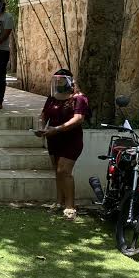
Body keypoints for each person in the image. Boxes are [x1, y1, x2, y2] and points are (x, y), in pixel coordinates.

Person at [36, 69, 90, 221]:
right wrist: (42, 127)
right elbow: (43, 115)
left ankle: (70, 206)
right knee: (57, 171)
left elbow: (78, 119)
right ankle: (59, 202)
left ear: (69, 82)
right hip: (53, 139)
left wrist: (57, 129)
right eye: (56, 81)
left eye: (61, 81)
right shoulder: (52, 98)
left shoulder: (79, 99)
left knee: (64, 171)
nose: (58, 83)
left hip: (71, 140)